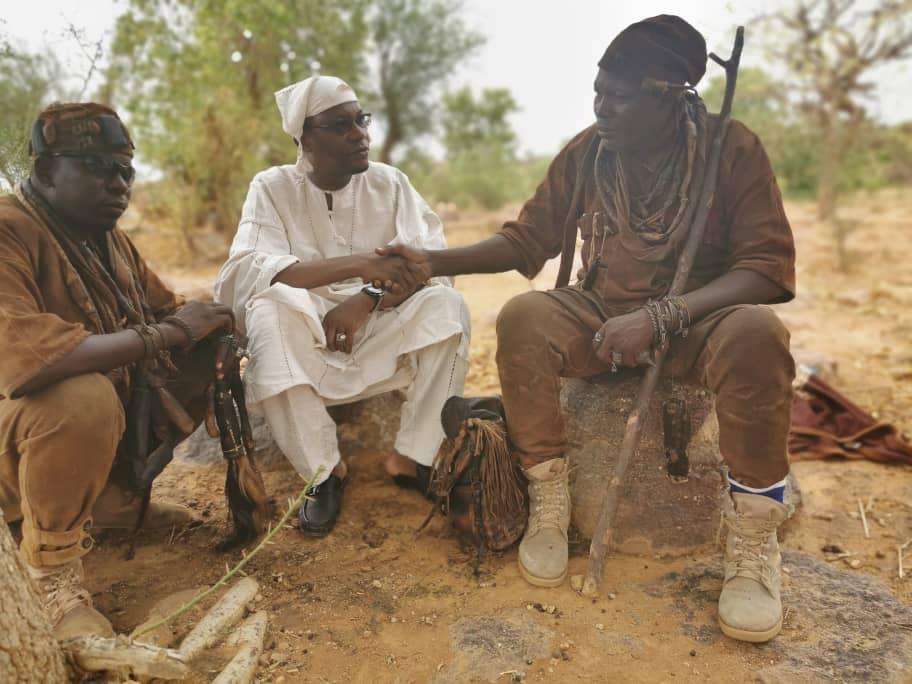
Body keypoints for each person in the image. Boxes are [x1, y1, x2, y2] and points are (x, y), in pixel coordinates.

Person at [379, 16, 796, 643]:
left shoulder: (729, 149)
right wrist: (430, 262)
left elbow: (765, 268)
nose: (602, 108)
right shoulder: (589, 151)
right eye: (598, 92)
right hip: (600, 316)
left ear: (668, 98)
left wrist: (664, 315)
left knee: (760, 334)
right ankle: (549, 498)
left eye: (619, 97)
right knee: (524, 316)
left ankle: (754, 542)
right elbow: (526, 240)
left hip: (699, 322)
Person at [0, 103, 236, 639]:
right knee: (80, 397)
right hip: (14, 445)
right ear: (45, 171)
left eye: (126, 171)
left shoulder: (104, 237)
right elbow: (25, 364)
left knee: (204, 346)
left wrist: (209, 325)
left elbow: (164, 313)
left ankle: (111, 502)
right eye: (97, 167)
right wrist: (170, 333)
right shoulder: (8, 230)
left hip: (54, 438)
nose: (119, 184)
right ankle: (51, 577)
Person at [214, 76, 470, 538]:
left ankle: (414, 457)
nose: (359, 134)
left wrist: (365, 298)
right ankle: (324, 472)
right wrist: (363, 265)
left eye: (361, 120)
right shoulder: (272, 187)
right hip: (308, 331)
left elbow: (423, 264)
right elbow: (252, 268)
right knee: (268, 310)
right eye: (340, 125)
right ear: (305, 138)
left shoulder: (391, 183)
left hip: (381, 317)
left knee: (447, 306)